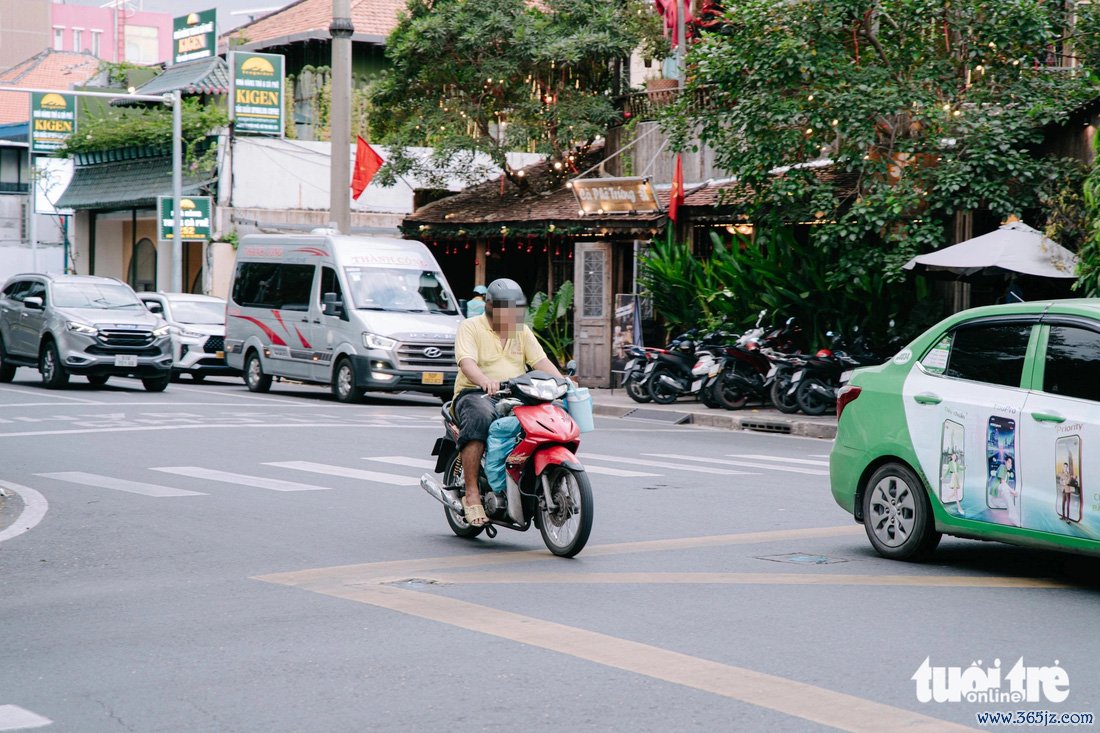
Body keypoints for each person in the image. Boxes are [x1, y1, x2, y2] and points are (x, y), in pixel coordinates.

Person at [452, 278, 563, 526]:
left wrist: (564, 382)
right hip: (475, 394)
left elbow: (540, 362)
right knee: (480, 418)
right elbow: (466, 362)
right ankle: (472, 495)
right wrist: (484, 380)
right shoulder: (471, 327)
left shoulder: (521, 331)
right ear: (489, 306)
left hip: (517, 394)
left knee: (550, 417)